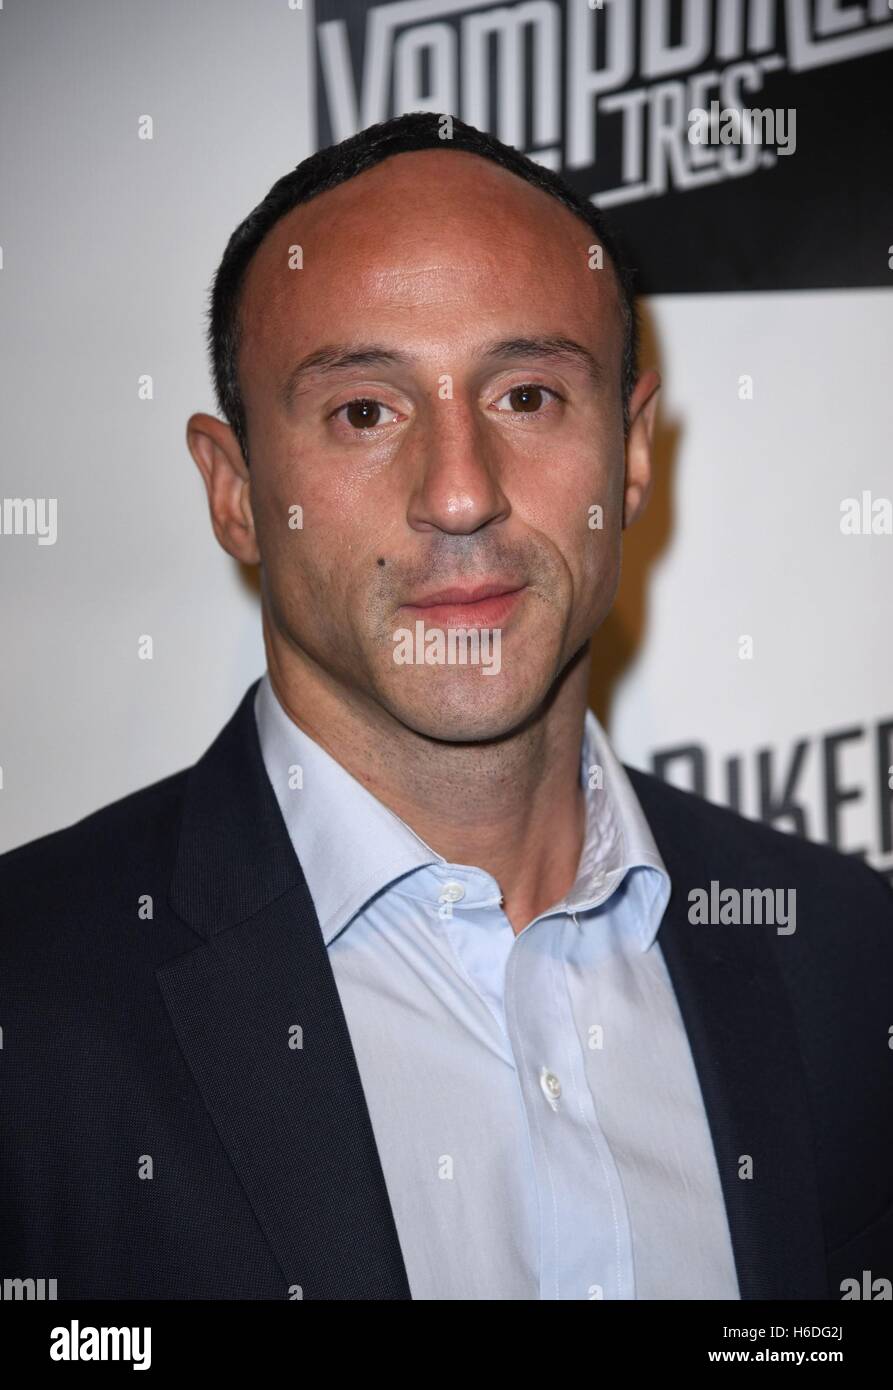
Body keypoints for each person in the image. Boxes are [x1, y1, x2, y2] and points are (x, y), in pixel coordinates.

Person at [1, 113, 891, 1302]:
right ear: (235, 492)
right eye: (364, 411)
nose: (459, 492)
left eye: (525, 395)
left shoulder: (844, 952)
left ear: (628, 452)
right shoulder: (31, 990)